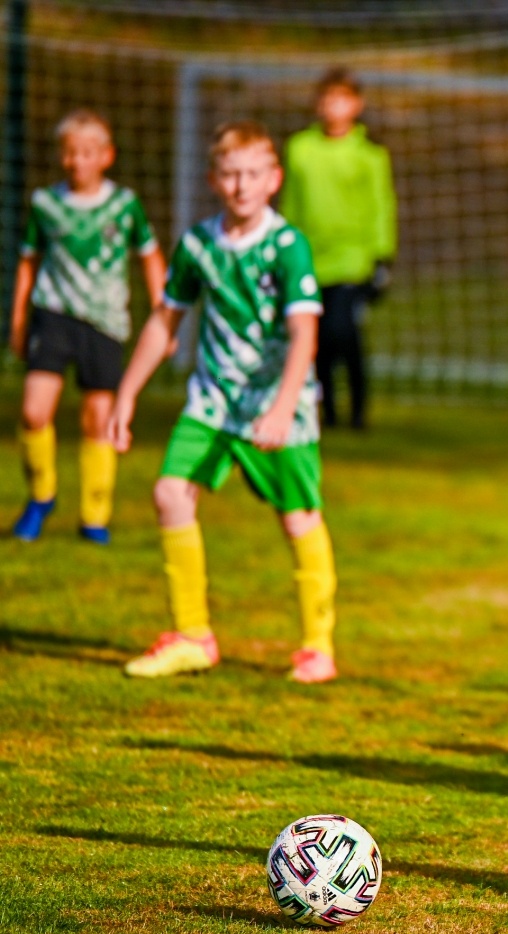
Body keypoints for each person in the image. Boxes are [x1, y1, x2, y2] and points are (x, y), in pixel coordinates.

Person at [108, 122, 338, 685]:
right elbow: (166, 322)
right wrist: (126, 393)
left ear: (273, 180)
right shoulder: (197, 245)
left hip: (277, 401)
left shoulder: (288, 247)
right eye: (230, 174)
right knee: (169, 492)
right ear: (214, 179)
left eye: (254, 174)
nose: (241, 186)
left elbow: (305, 335)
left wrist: (283, 407)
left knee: (297, 517)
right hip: (213, 401)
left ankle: (317, 646)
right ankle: (193, 636)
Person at [9, 109, 165, 543]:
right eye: (71, 153)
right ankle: (41, 495)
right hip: (53, 313)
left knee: (98, 418)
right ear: (61, 157)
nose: (78, 162)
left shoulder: (125, 205)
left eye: (88, 153)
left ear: (106, 156)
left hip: (105, 319)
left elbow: (150, 255)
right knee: (33, 409)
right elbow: (28, 262)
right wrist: (18, 318)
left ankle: (94, 516)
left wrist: (161, 309)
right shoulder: (46, 204)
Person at [281, 66, 396, 431]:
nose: (334, 107)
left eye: (342, 100)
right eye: (328, 99)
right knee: (315, 338)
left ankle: (358, 411)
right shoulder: (300, 149)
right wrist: (284, 246)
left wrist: (382, 256)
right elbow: (291, 203)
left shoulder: (370, 155)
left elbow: (382, 205)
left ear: (356, 105)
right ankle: (327, 410)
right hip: (311, 258)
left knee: (342, 332)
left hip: (352, 258)